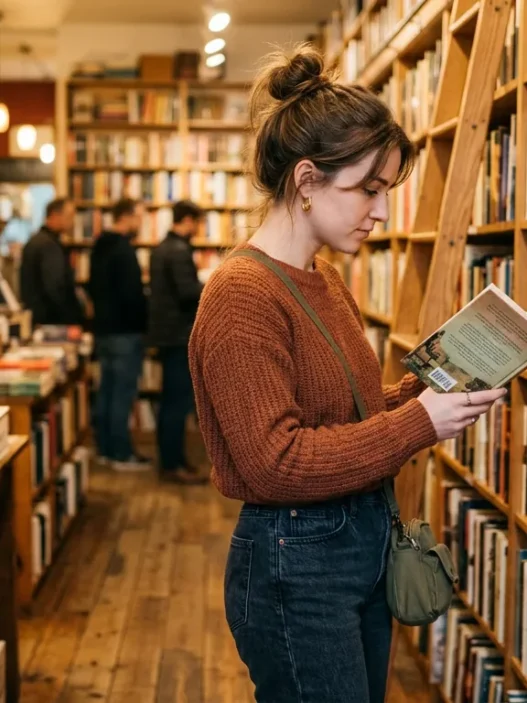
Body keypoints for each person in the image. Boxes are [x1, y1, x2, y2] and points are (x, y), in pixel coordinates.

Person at [188, 44, 507, 703]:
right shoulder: (242, 295)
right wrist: (420, 422)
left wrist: (436, 380)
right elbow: (275, 460)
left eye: (385, 189)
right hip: (294, 563)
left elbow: (345, 418)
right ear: (305, 181)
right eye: (368, 187)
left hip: (358, 544)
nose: (382, 210)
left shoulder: (325, 282)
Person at [88, 197, 150, 471]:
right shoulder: (123, 250)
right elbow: (131, 296)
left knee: (107, 391)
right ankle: (121, 454)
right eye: (138, 216)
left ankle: (104, 449)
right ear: (126, 216)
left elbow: (93, 288)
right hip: (125, 331)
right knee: (122, 394)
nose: (141, 222)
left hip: (103, 330)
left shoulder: (99, 246)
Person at [148, 200, 206, 484]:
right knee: (176, 402)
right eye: (197, 222)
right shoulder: (179, 250)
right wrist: (210, 283)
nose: (199, 228)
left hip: (166, 334)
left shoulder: (161, 248)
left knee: (170, 400)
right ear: (187, 220)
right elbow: (186, 293)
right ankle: (172, 464)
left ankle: (173, 460)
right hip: (179, 335)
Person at [20, 197, 84, 326]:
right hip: (52, 321)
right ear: (55, 215)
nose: (72, 222)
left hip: (37, 319)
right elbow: (55, 288)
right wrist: (71, 317)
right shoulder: (49, 245)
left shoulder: (35, 241)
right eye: (70, 216)